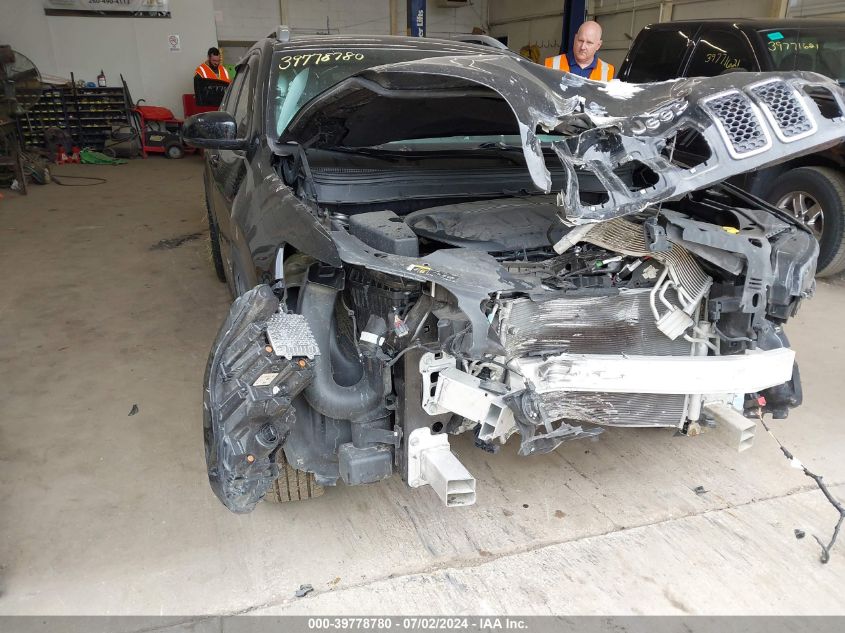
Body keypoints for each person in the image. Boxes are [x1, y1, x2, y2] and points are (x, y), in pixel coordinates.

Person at [544, 21, 615, 81]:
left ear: (598, 45)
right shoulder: (551, 64)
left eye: (589, 43)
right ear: (575, 38)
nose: (583, 47)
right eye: (580, 40)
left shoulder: (608, 72)